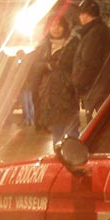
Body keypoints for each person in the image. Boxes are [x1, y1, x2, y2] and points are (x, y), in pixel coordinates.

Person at [36, 16, 80, 145]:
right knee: (57, 134)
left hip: (68, 93)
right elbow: (34, 66)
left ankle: (74, 157)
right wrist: (47, 66)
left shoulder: (72, 44)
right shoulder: (43, 46)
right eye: (53, 25)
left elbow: (77, 65)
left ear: (65, 27)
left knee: (72, 132)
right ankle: (59, 159)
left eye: (59, 25)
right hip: (49, 95)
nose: (56, 29)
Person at [72, 0, 110, 125]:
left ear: (85, 15)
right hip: (99, 88)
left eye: (82, 13)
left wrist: (78, 82)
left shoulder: (95, 33)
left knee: (96, 129)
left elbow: (89, 63)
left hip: (96, 89)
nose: (81, 17)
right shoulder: (99, 30)